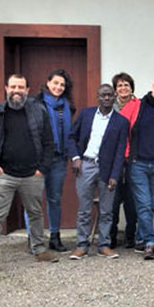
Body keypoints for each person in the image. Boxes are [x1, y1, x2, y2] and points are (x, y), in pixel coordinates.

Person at [0, 75, 59, 278]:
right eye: (13, 86)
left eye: (21, 87)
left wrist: (42, 168)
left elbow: (49, 143)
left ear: (28, 90)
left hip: (32, 174)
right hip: (4, 174)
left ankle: (39, 249)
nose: (17, 90)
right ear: (6, 88)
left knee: (36, 213)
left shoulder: (39, 111)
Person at [66, 84, 129, 260]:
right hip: (85, 165)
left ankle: (104, 245)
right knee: (84, 209)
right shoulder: (86, 114)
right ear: (98, 97)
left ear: (115, 97)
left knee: (107, 210)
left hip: (107, 169)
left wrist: (115, 175)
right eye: (103, 95)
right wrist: (75, 157)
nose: (107, 98)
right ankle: (82, 246)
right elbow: (72, 136)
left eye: (110, 95)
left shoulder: (121, 122)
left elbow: (120, 151)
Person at [119, 76, 154, 260]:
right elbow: (119, 127)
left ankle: (139, 239)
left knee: (149, 205)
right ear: (153, 85)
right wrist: (126, 154)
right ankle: (151, 243)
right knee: (144, 204)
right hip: (137, 164)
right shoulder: (135, 106)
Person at [33, 69, 76, 252]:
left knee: (55, 198)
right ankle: (33, 238)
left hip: (59, 157)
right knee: (33, 199)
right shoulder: (36, 103)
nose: (58, 87)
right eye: (56, 83)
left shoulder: (67, 105)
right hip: (38, 158)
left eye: (62, 85)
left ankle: (55, 237)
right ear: (48, 82)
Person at [110, 72, 138, 249]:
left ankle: (130, 236)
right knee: (112, 201)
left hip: (133, 159)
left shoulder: (139, 106)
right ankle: (111, 236)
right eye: (119, 86)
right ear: (115, 89)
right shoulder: (108, 107)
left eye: (126, 85)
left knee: (132, 201)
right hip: (114, 160)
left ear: (131, 88)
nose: (123, 88)